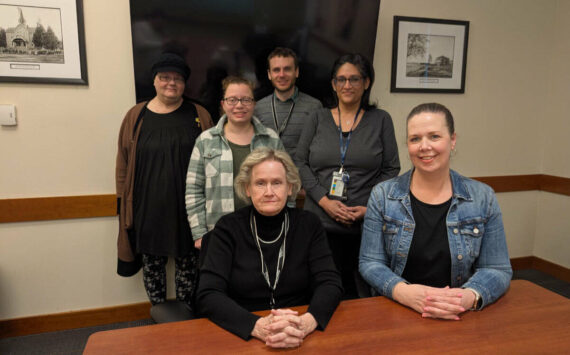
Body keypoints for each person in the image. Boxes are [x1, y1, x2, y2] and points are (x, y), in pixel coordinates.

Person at [359, 103, 512, 320]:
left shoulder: (482, 197)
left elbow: (497, 268)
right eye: (415, 139)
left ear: (453, 140)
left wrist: (466, 297)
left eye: (434, 136)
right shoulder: (383, 195)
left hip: (459, 315)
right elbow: (369, 262)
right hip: (398, 311)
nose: (424, 146)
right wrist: (404, 292)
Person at [197, 148, 342, 347]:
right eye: (260, 183)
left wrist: (306, 323)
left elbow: (330, 282)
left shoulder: (309, 224)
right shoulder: (227, 228)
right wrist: (258, 326)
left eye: (277, 183)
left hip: (299, 328)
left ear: (290, 187)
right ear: (247, 189)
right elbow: (208, 294)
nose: (269, 192)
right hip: (243, 331)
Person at [295, 53, 400, 298]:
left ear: (366, 83)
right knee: (321, 292)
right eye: (341, 79)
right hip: (319, 223)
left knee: (359, 295)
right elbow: (300, 162)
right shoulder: (317, 118)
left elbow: (391, 169)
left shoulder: (381, 120)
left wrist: (369, 207)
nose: (347, 85)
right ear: (333, 84)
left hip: (364, 226)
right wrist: (324, 201)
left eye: (354, 79)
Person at [115, 52, 214, 310]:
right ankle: (157, 315)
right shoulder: (136, 116)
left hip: (189, 209)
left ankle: (186, 315)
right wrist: (122, 204)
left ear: (185, 84)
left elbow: (214, 159)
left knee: (188, 264)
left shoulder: (199, 114)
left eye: (177, 78)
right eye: (165, 77)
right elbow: (123, 163)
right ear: (155, 81)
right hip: (147, 208)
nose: (171, 83)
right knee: (153, 265)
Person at [186, 76, 284, 250]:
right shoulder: (205, 141)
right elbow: (194, 190)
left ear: (254, 104)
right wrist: (200, 234)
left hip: (265, 233)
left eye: (245, 99)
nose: (239, 105)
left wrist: (284, 225)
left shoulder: (271, 139)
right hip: (218, 235)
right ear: (223, 104)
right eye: (232, 100)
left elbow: (286, 185)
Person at [254, 47, 323, 159]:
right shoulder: (258, 108)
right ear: (269, 74)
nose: (282, 75)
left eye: (287, 69)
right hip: (268, 174)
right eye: (276, 70)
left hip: (301, 175)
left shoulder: (314, 107)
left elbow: (318, 150)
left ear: (296, 72)